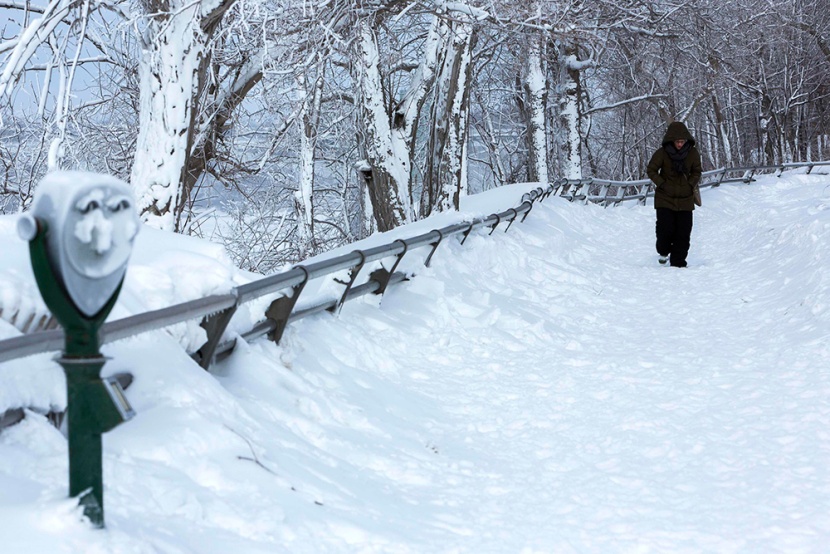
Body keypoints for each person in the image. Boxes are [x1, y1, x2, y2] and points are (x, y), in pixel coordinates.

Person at [646, 121, 702, 268]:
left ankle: (678, 263)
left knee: (683, 233)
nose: (680, 144)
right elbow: (651, 170)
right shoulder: (662, 153)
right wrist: (662, 184)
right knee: (665, 230)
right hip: (665, 198)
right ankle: (663, 251)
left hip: (685, 199)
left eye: (682, 141)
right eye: (677, 142)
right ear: (671, 140)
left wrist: (690, 184)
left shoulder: (692, 153)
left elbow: (697, 171)